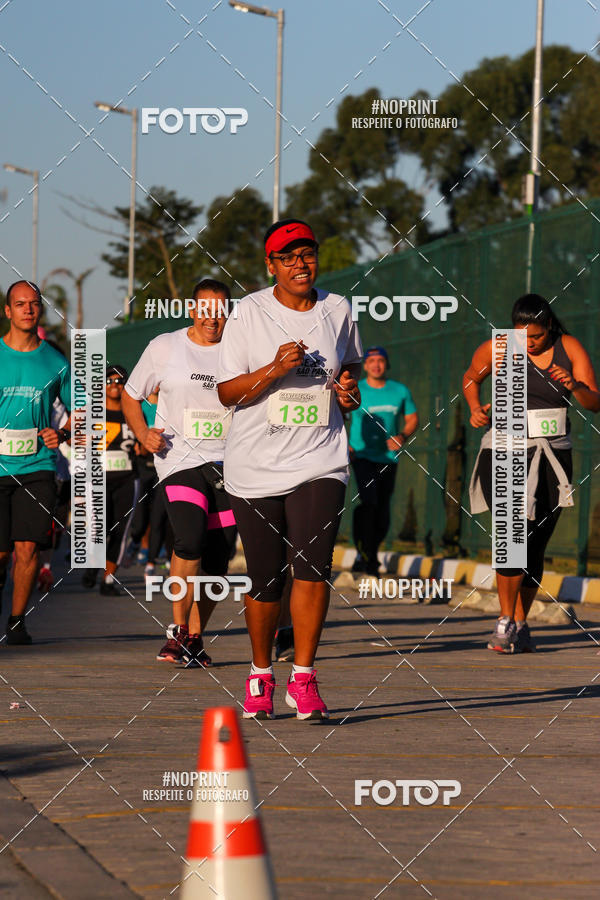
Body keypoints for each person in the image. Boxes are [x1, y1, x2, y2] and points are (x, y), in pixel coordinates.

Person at [217, 218, 363, 720]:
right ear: (270, 266)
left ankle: (304, 678)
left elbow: (351, 367)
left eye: (307, 254)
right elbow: (226, 392)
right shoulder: (247, 313)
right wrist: (274, 370)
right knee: (265, 580)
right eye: (288, 257)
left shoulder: (338, 309)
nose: (300, 263)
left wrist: (347, 389)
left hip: (320, 457)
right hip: (255, 464)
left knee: (313, 567)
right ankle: (260, 673)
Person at [465, 294, 600, 652]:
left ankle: (521, 624)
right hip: (506, 451)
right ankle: (505, 620)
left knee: (535, 543)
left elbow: (594, 402)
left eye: (535, 337)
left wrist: (572, 385)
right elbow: (470, 377)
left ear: (549, 328)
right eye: (521, 335)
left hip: (552, 456)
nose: (527, 343)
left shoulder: (567, 347)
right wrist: (476, 407)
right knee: (511, 536)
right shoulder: (500, 346)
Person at [122, 278, 237, 668]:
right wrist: (142, 433)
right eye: (204, 309)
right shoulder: (165, 347)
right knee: (189, 540)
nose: (212, 318)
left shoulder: (241, 351)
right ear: (193, 310)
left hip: (230, 463)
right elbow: (131, 394)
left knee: (219, 559)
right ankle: (177, 633)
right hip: (180, 460)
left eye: (220, 310)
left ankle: (196, 636)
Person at [0, 280, 71, 644]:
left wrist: (63, 435)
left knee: (27, 547)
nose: (28, 309)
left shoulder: (55, 361)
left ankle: (16, 621)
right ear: (7, 311)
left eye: (34, 304)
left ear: (40, 310)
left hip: (38, 467)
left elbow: (82, 412)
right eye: (20, 303)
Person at [348, 346, 418, 575]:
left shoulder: (400, 391)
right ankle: (368, 557)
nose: (376, 364)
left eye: (380, 360)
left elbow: (412, 419)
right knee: (370, 502)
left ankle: (368, 551)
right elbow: (339, 415)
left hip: (388, 458)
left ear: (386, 364)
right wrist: (345, 444)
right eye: (371, 361)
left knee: (383, 510)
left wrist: (402, 436)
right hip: (362, 455)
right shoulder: (356, 390)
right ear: (365, 365)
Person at [81, 364, 139, 595]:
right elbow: (72, 440)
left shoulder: (132, 411)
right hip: (96, 477)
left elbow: (142, 441)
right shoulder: (91, 412)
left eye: (119, 381)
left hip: (127, 477)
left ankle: (108, 579)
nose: (115, 385)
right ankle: (93, 566)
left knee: (121, 529)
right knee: (97, 527)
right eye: (110, 381)